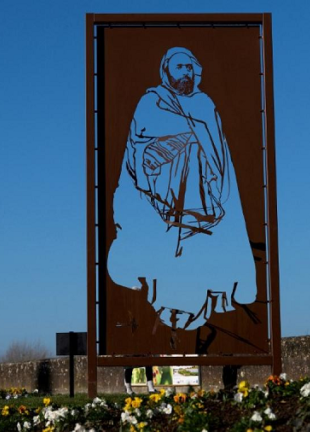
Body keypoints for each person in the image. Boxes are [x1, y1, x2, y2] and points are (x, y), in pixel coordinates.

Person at [108, 46, 256, 331]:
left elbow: (218, 148)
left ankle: (210, 291)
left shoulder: (204, 103)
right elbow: (140, 141)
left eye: (190, 68)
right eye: (180, 68)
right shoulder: (152, 101)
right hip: (160, 192)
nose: (186, 73)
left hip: (204, 192)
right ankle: (165, 295)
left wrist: (199, 144)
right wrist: (187, 135)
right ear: (166, 71)